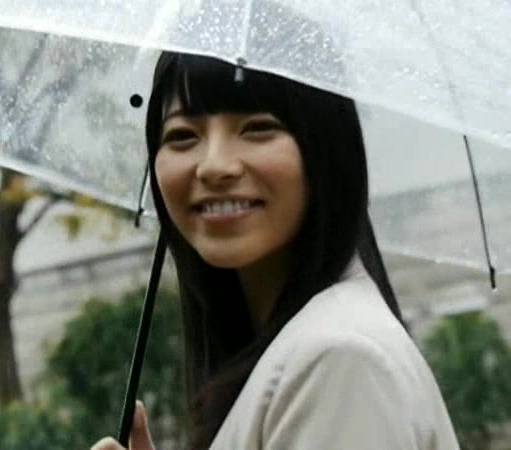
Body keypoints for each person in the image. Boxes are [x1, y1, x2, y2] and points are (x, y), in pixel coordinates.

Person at [92, 52, 459, 450]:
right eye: (182, 136)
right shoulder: (300, 346)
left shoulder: (338, 358)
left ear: (325, 149)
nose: (214, 166)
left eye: (257, 128)